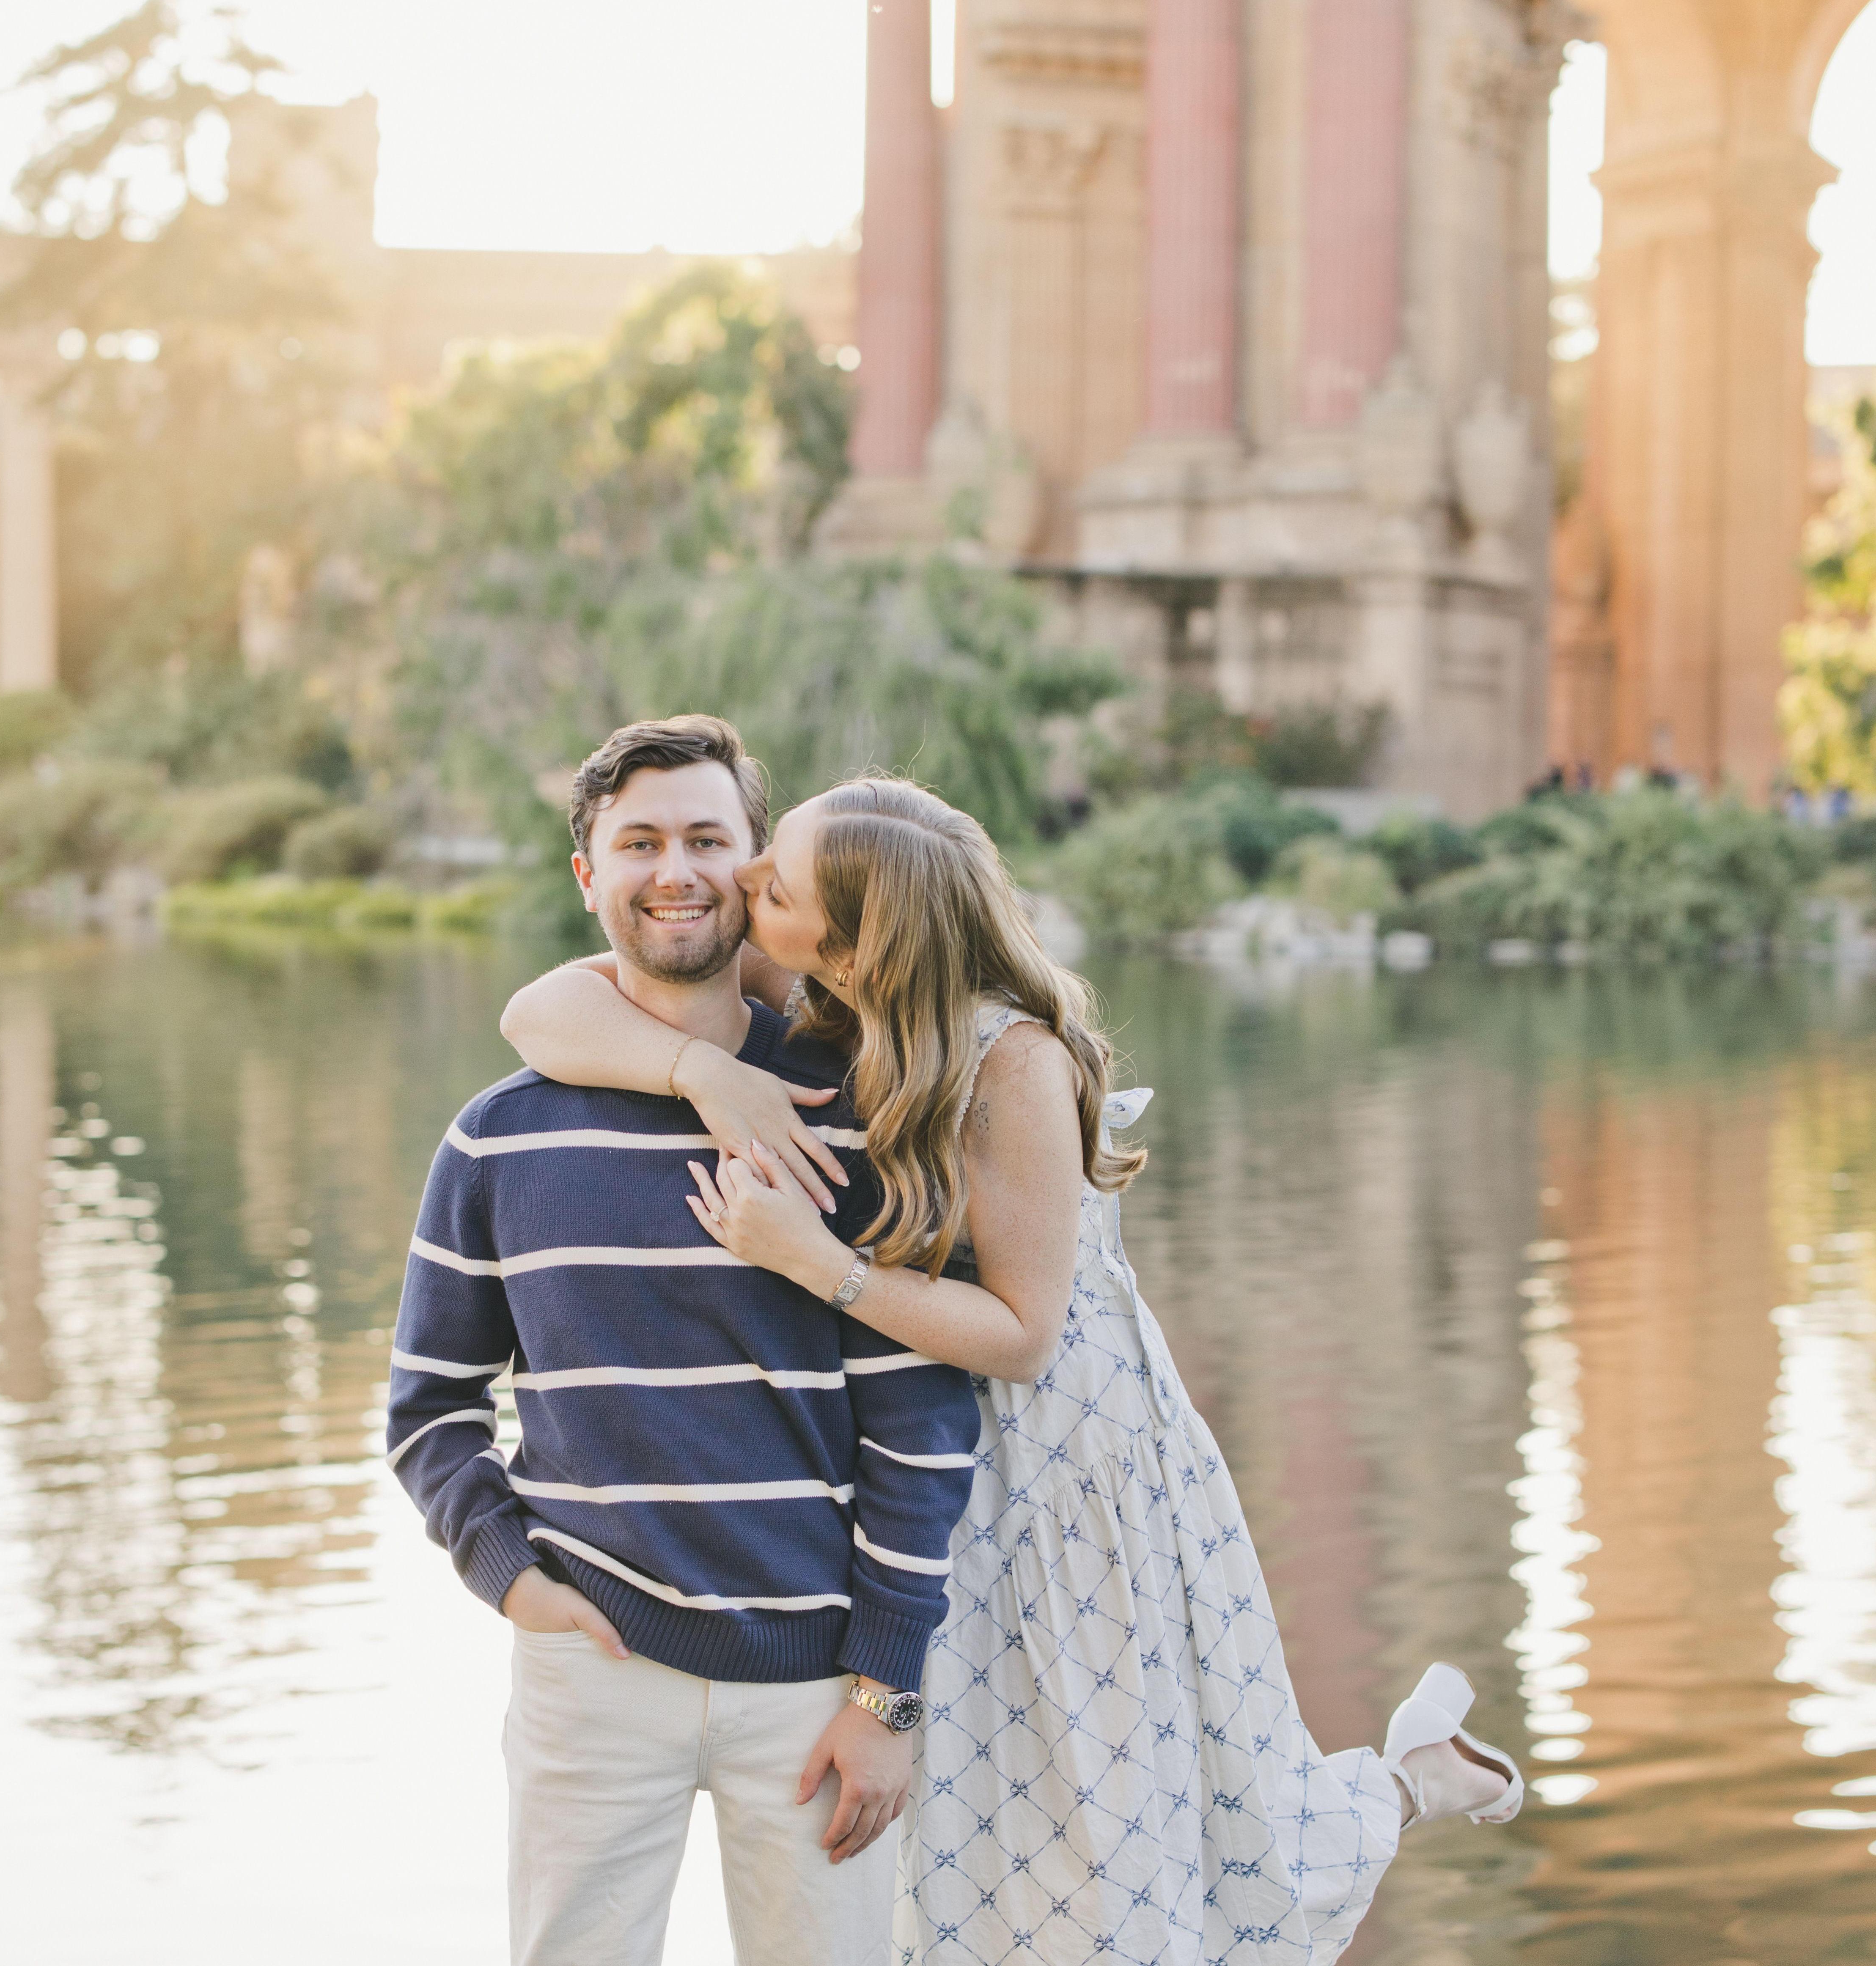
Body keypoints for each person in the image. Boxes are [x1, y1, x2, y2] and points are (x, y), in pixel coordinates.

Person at [502, 766, 1523, 1964]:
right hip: (915, 1470)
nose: (736, 883)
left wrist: (810, 1261)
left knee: (1110, 1844)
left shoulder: (1014, 1061)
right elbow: (538, 1012)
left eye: (768, 880)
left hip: (1065, 1477)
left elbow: (1025, 1334)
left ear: (849, 928)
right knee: (951, 1860)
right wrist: (702, 1071)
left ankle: (1404, 1782)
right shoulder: (825, 994)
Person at [386, 717, 982, 1966]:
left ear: (759, 866)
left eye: (709, 838)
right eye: (639, 841)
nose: (677, 869)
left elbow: (919, 1424)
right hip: (591, 1664)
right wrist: (508, 1572)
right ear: (586, 875)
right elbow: (432, 1406)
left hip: (814, 1679)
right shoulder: (497, 1140)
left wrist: (884, 1683)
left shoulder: (856, 1112)